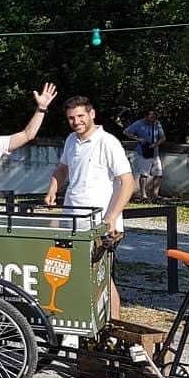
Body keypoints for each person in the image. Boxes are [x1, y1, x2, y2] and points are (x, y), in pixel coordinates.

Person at [44, 96, 135, 316]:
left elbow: (128, 182)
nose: (76, 122)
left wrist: (111, 217)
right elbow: (63, 169)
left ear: (92, 114)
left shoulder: (107, 142)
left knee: (102, 278)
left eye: (80, 116)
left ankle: (113, 328)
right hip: (72, 222)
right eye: (71, 118)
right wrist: (53, 187)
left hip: (100, 224)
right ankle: (82, 326)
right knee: (75, 275)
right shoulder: (71, 140)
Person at [123, 110, 165, 202]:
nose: (152, 120)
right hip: (142, 151)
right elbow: (126, 131)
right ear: (145, 117)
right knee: (144, 174)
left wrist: (156, 144)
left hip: (154, 152)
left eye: (154, 117)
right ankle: (143, 196)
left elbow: (163, 138)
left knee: (158, 173)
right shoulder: (138, 124)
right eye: (150, 117)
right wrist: (138, 139)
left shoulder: (157, 124)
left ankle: (155, 195)